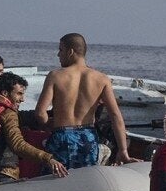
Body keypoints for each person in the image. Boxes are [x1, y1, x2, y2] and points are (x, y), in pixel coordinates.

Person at [34, 32, 133, 168]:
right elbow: (115, 116)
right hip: (88, 138)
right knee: (85, 177)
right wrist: (123, 150)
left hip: (62, 136)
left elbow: (40, 113)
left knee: (57, 177)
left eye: (60, 50)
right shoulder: (102, 79)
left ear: (70, 52)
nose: (58, 55)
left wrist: (48, 123)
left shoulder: (55, 76)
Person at [0, 72, 68, 181]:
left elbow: (22, 117)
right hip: (3, 172)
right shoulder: (6, 112)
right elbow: (17, 144)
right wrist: (48, 158)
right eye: (19, 94)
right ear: (5, 93)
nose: (23, 99)